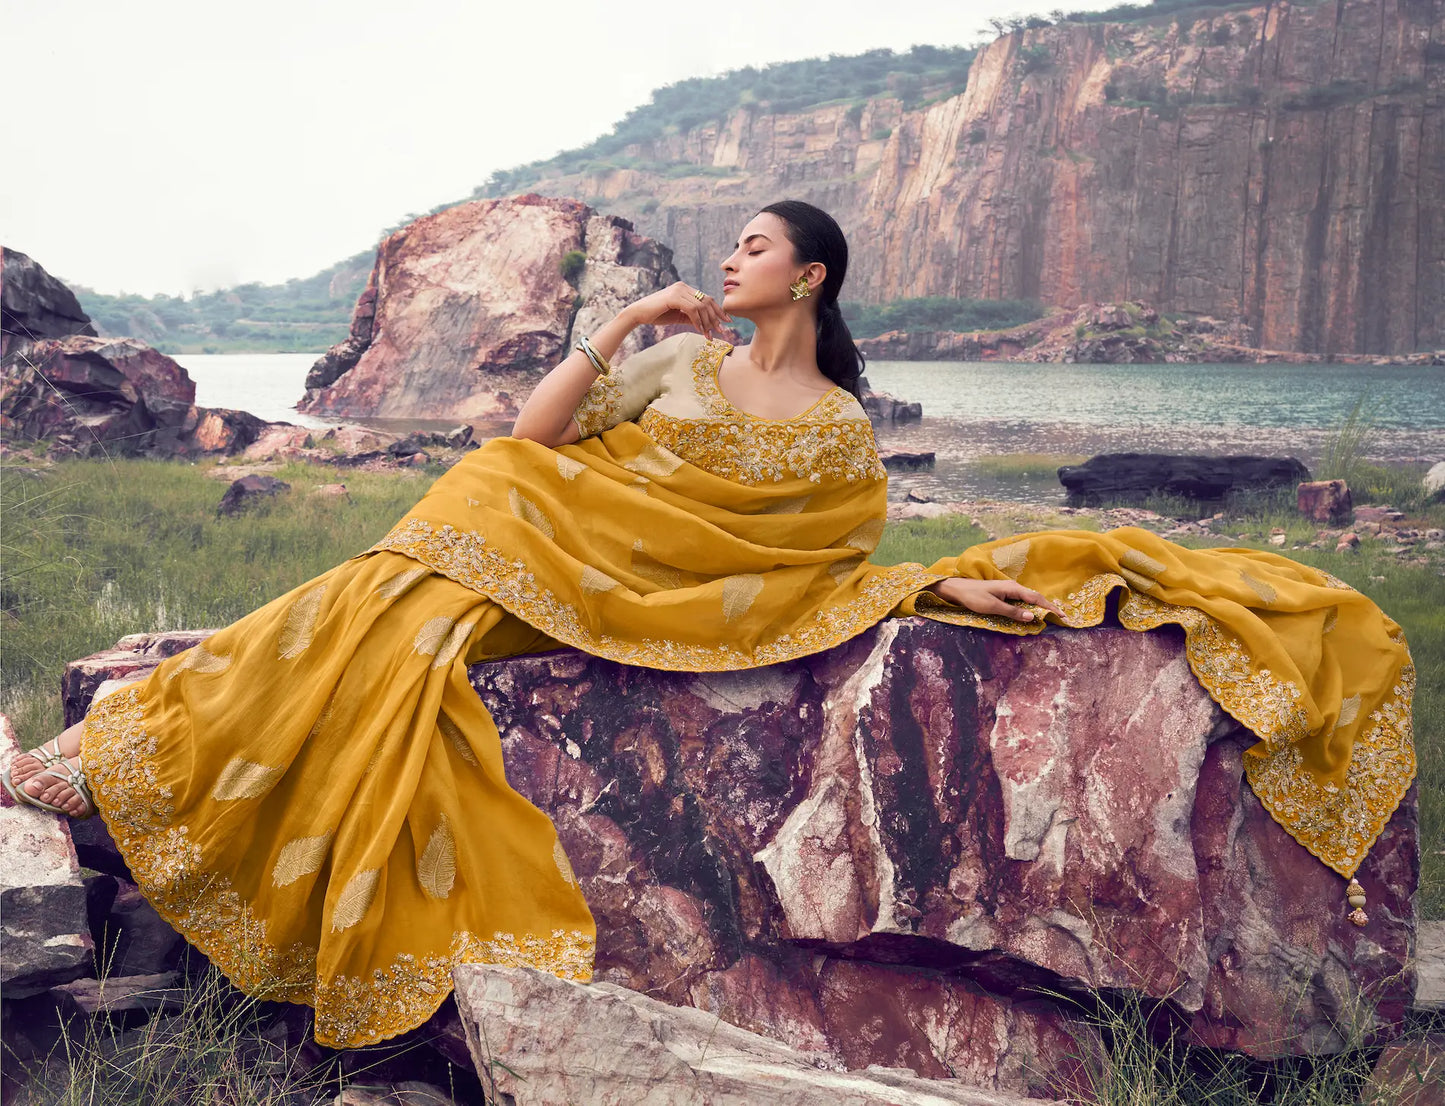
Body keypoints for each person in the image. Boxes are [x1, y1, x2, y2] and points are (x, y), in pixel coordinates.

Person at [4, 200, 1415, 1051]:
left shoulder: (840, 428)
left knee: (402, 599)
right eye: (730, 245)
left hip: (646, 596)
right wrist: (621, 325)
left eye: (754, 246)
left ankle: (121, 750)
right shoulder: (676, 357)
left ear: (809, 277)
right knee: (404, 590)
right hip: (549, 542)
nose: (729, 260)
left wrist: (925, 588)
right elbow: (535, 441)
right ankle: (130, 746)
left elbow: (812, 562)